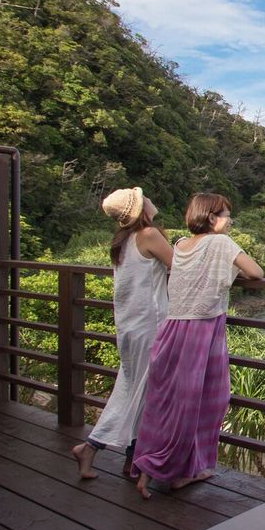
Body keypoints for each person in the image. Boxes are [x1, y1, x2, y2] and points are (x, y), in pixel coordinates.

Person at [133, 193, 264, 498]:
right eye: (226, 214)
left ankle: (161, 468)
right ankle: (168, 468)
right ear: (211, 218)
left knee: (169, 404)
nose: (230, 220)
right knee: (207, 402)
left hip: (172, 329)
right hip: (202, 332)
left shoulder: (180, 244)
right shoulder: (220, 244)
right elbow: (256, 272)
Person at [71, 186, 173, 480]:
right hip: (150, 327)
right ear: (140, 209)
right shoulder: (149, 235)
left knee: (135, 389)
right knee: (144, 392)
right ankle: (97, 449)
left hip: (130, 326)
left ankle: (124, 458)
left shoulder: (123, 241)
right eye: (145, 198)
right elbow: (180, 266)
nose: (151, 199)